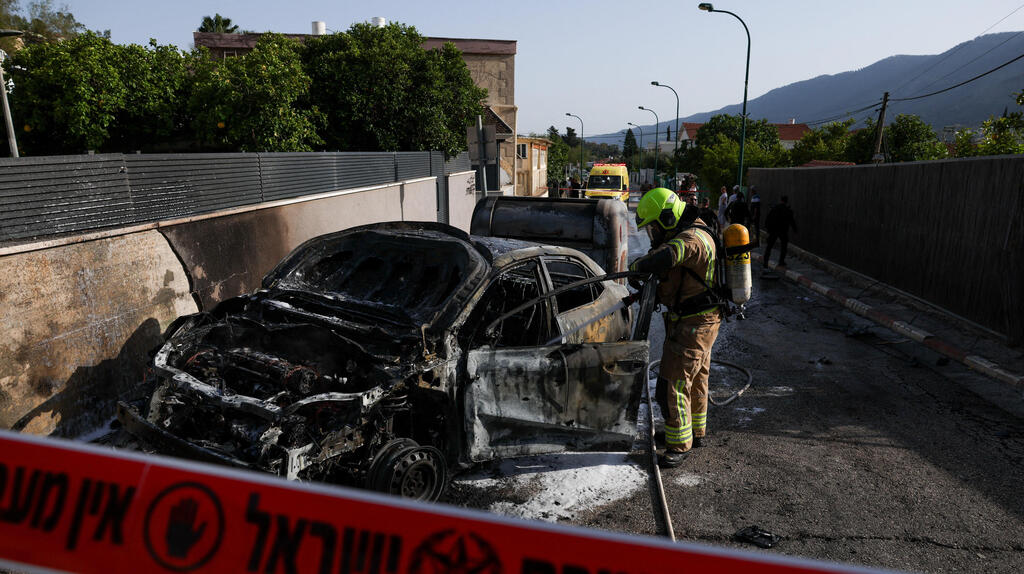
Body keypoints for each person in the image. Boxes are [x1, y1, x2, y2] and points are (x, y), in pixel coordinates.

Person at [630, 188, 722, 467]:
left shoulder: (693, 238)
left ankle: (679, 446)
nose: (653, 234)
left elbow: (669, 256)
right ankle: (695, 431)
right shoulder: (692, 231)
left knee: (675, 381)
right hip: (695, 322)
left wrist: (638, 266)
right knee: (697, 378)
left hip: (695, 324)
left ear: (668, 218)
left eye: (654, 227)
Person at [763, 195, 798, 269]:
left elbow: (768, 218)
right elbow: (792, 221)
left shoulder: (775, 208)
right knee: (784, 246)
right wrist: (795, 230)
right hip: (783, 231)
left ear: (780, 200)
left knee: (769, 247)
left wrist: (767, 229)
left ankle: (765, 261)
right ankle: (781, 261)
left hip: (774, 230)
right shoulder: (788, 210)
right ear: (786, 201)